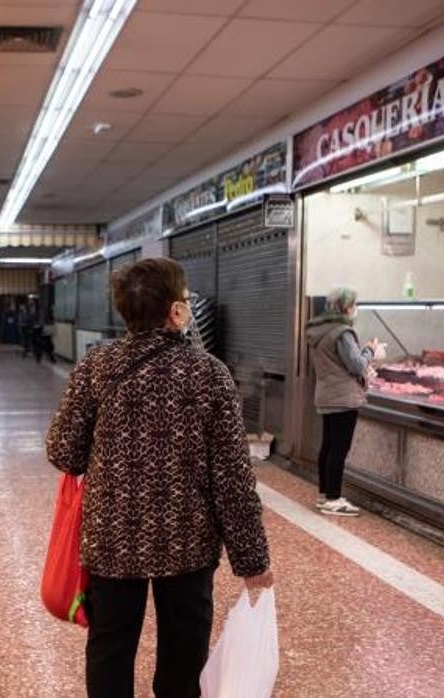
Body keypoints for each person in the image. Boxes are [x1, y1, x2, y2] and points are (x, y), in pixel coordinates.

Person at [46, 258, 272, 698]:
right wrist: (252, 561)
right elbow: (232, 478)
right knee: (183, 656)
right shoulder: (209, 374)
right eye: (185, 300)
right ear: (176, 312)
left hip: (111, 540)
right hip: (186, 543)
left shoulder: (97, 367)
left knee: (110, 647)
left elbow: (62, 452)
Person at [306, 287, 380, 518]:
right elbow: (357, 365)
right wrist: (371, 350)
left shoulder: (319, 330)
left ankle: (325, 494)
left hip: (326, 393)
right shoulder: (342, 332)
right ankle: (333, 499)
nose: (355, 309)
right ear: (346, 307)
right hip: (343, 397)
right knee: (338, 448)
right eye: (354, 305)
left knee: (328, 446)